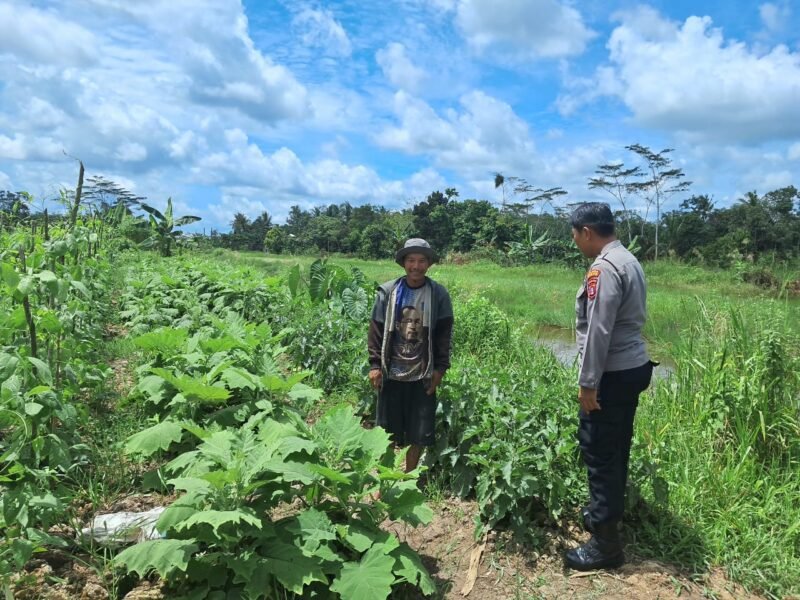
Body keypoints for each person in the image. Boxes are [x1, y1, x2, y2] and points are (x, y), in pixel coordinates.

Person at [565, 202, 656, 571]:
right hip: (633, 366)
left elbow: (598, 330)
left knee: (600, 450)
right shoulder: (628, 259)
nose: (575, 243)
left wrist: (588, 384)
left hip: (612, 373)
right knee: (616, 446)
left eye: (574, 236)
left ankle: (606, 545)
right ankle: (604, 515)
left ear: (587, 231)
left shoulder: (602, 268)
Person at [367, 238, 454, 474]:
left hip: (422, 375)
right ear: (404, 263)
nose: (416, 266)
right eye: (411, 260)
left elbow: (444, 334)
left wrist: (440, 370)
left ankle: (408, 477)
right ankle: (384, 479)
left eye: (421, 261)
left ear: (429, 264)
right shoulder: (388, 292)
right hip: (391, 374)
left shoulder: (438, 295)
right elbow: (375, 329)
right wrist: (375, 365)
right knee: (386, 432)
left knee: (418, 432)